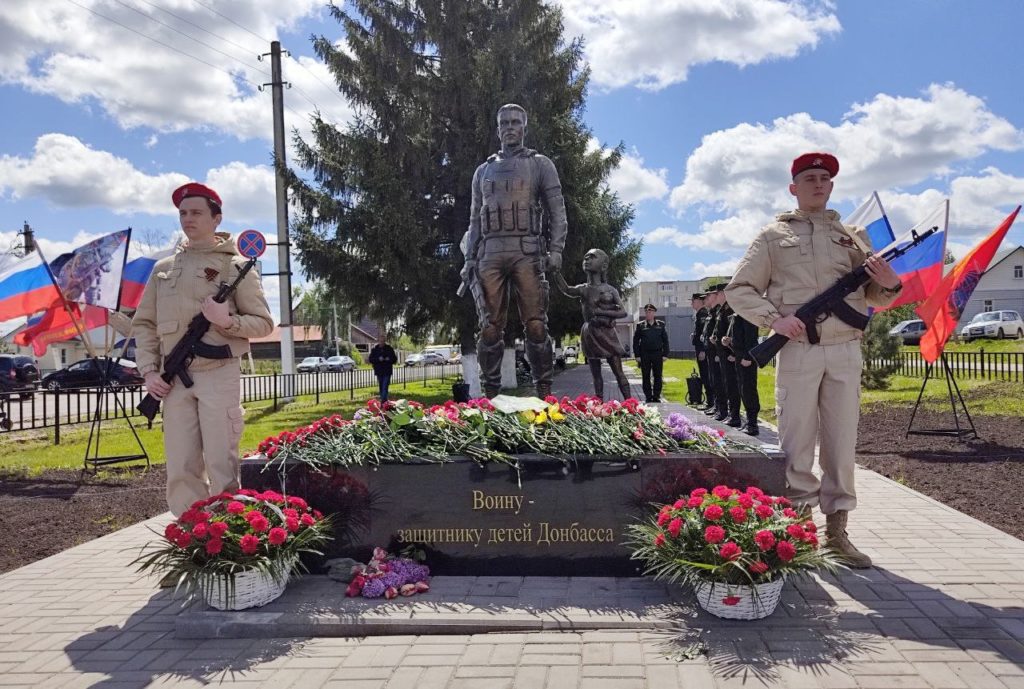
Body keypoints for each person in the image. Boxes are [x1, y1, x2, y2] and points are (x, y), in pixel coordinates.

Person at [726, 152, 902, 568]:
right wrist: (775, 320)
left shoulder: (854, 236)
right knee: (797, 442)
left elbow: (874, 297)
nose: (819, 184)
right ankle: (798, 529)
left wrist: (891, 285)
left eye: (825, 178)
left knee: (842, 443)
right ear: (794, 188)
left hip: (845, 351)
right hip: (799, 350)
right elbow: (740, 290)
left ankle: (838, 533)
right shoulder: (772, 236)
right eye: (810, 178)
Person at [133, 183, 273, 519]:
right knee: (181, 466)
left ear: (216, 218)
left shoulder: (236, 267)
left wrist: (228, 322)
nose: (187, 219)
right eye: (183, 213)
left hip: (218, 376)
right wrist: (150, 371)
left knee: (222, 463)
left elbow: (264, 323)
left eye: (196, 212)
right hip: (174, 381)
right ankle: (190, 531)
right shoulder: (162, 270)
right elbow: (144, 324)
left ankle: (226, 533)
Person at [459, 104, 568, 398]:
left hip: (527, 251)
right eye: (504, 122)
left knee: (535, 325)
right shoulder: (482, 171)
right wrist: (469, 257)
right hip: (490, 253)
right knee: (490, 328)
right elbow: (474, 219)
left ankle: (544, 393)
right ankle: (492, 398)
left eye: (515, 122)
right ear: (497, 129)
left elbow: (557, 211)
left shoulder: (540, 164)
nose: (509, 127)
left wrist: (556, 249)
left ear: (524, 127)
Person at [554, 248, 631, 400]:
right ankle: (599, 403)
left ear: (603, 265)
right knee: (595, 373)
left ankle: (631, 404)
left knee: (618, 371)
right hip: (590, 333)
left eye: (592, 257)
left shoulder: (610, 290)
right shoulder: (583, 289)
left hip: (608, 333)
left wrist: (602, 314)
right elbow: (566, 289)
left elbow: (623, 312)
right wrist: (556, 273)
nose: (587, 260)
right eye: (585, 258)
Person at [726, 307, 761, 435]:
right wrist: (730, 342)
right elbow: (740, 338)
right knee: (743, 389)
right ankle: (749, 421)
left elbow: (751, 339)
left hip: (746, 359)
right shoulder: (739, 315)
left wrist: (748, 357)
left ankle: (753, 424)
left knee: (748, 390)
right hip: (740, 357)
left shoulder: (748, 314)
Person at [715, 288, 742, 427]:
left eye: (718, 294)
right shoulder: (722, 310)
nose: (716, 296)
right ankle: (731, 414)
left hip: (730, 354)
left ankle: (735, 415)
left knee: (732, 385)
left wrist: (733, 353)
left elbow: (735, 334)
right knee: (727, 384)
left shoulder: (731, 309)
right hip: (723, 353)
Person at [632, 303, 669, 403]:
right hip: (645, 355)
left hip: (657, 354)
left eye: (650, 312)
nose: (648, 314)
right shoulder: (640, 325)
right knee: (646, 375)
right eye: (647, 312)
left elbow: (665, 341)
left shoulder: (661, 325)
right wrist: (637, 355)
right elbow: (636, 341)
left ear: (654, 313)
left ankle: (656, 396)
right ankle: (648, 396)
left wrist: (665, 354)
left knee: (658, 375)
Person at [700, 285, 726, 417]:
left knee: (720, 382)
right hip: (711, 351)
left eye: (709, 296)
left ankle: (722, 409)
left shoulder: (720, 311)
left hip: (718, 352)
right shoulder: (712, 312)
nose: (706, 299)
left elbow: (722, 332)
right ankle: (717, 406)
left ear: (717, 295)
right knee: (714, 381)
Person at [690, 292, 714, 408]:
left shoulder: (703, 314)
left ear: (699, 301)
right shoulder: (699, 314)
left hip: (703, 351)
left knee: (706, 375)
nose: (691, 304)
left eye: (693, 301)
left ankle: (711, 401)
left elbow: (704, 335)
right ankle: (710, 401)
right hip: (700, 349)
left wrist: (702, 350)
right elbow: (700, 333)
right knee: (704, 375)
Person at [368, 338, 397, 402]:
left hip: (387, 371)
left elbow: (394, 359)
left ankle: (383, 401)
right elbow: (370, 359)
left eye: (383, 341)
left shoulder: (389, 349)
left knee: (385, 386)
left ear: (384, 341)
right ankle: (384, 400)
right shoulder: (375, 350)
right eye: (380, 341)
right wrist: (378, 359)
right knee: (381, 386)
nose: (381, 342)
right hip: (379, 371)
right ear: (378, 341)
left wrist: (388, 359)